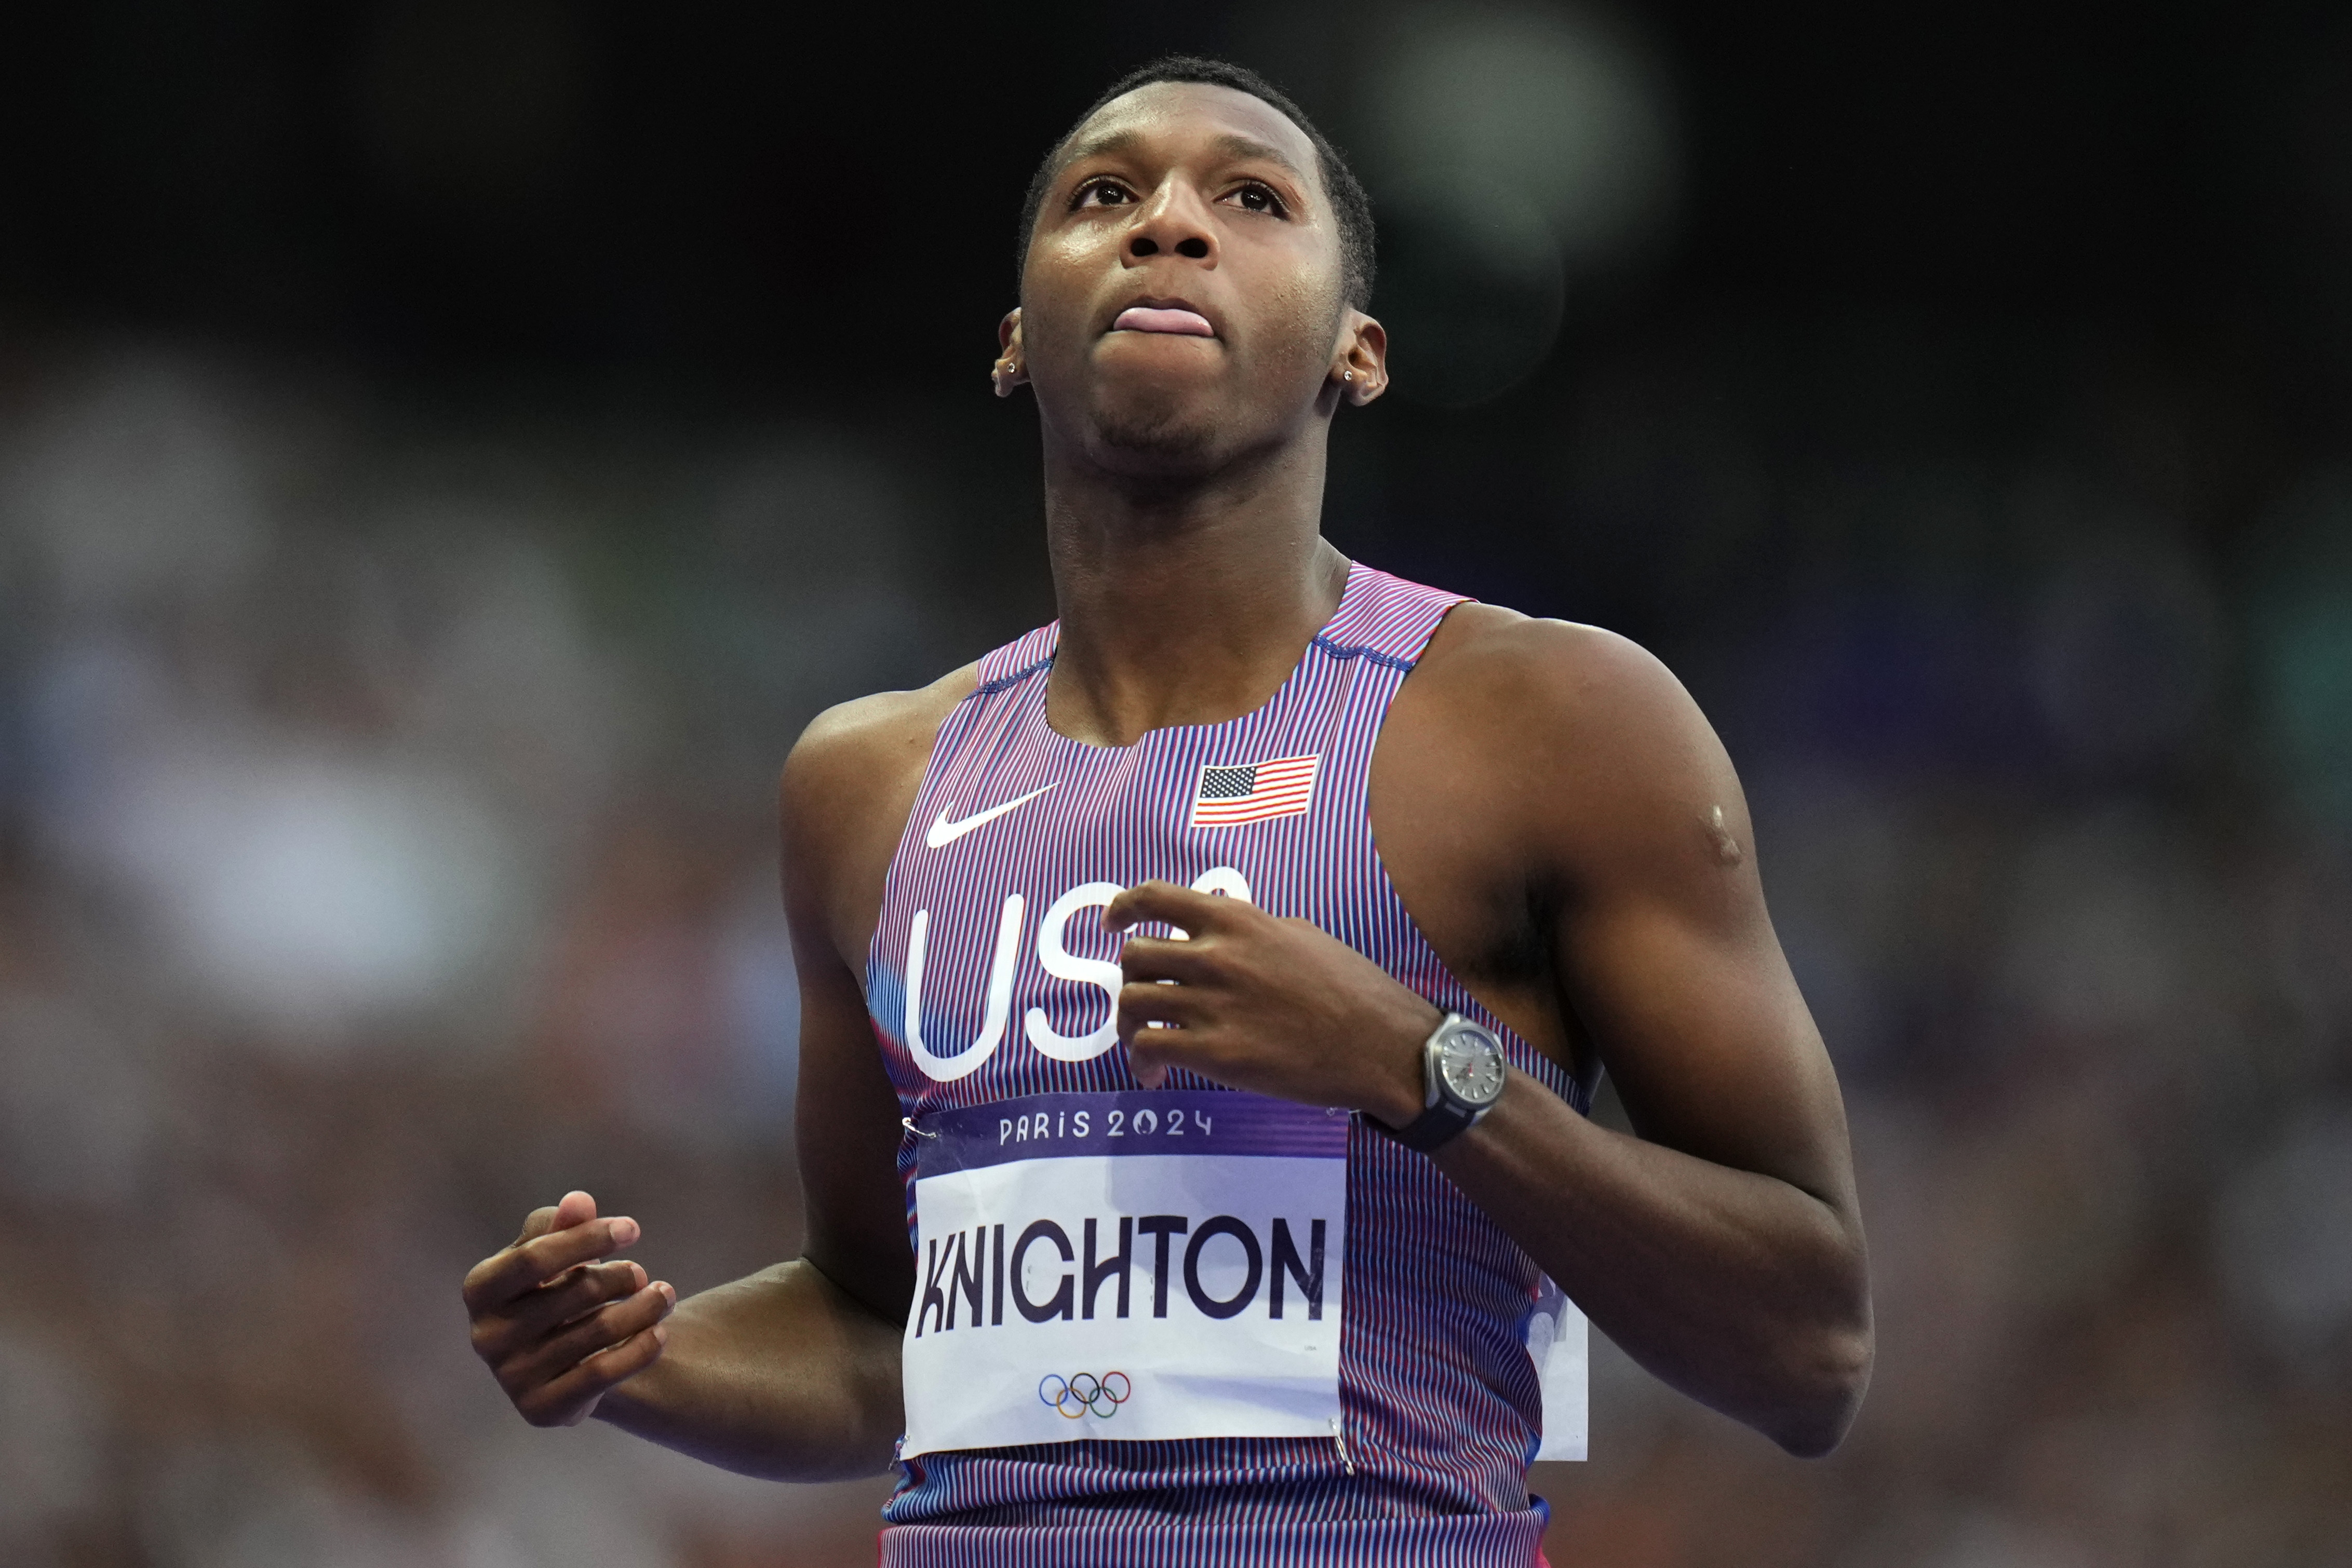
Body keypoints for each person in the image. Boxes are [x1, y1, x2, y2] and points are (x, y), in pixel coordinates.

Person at [462, 55, 1873, 1566]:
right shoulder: (866, 780)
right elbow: (889, 1329)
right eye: (1105, 196)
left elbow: (1806, 1353)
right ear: (1015, 339)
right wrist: (645, 1361)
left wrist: (1420, 1068)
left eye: (1250, 200)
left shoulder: (1553, 723)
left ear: (1358, 352)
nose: (1169, 226)